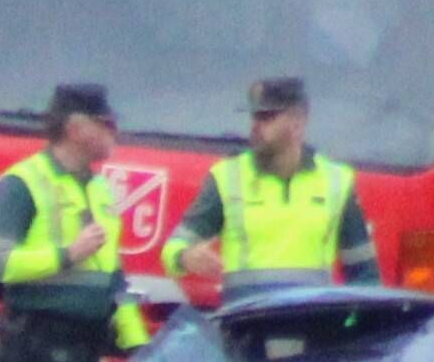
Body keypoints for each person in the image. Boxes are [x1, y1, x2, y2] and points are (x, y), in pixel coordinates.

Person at [0, 83, 150, 362]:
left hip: (86, 348)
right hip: (38, 347)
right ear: (75, 128)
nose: (114, 132)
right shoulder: (23, 183)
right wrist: (67, 255)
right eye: (105, 123)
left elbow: (112, 275)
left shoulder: (98, 188)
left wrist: (139, 345)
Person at [162, 76, 380, 300]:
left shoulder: (337, 181)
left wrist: (353, 319)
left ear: (298, 120)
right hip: (246, 318)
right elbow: (172, 248)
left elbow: (365, 276)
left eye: (267, 117)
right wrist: (184, 257)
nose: (255, 126)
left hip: (310, 319)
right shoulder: (228, 177)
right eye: (254, 117)